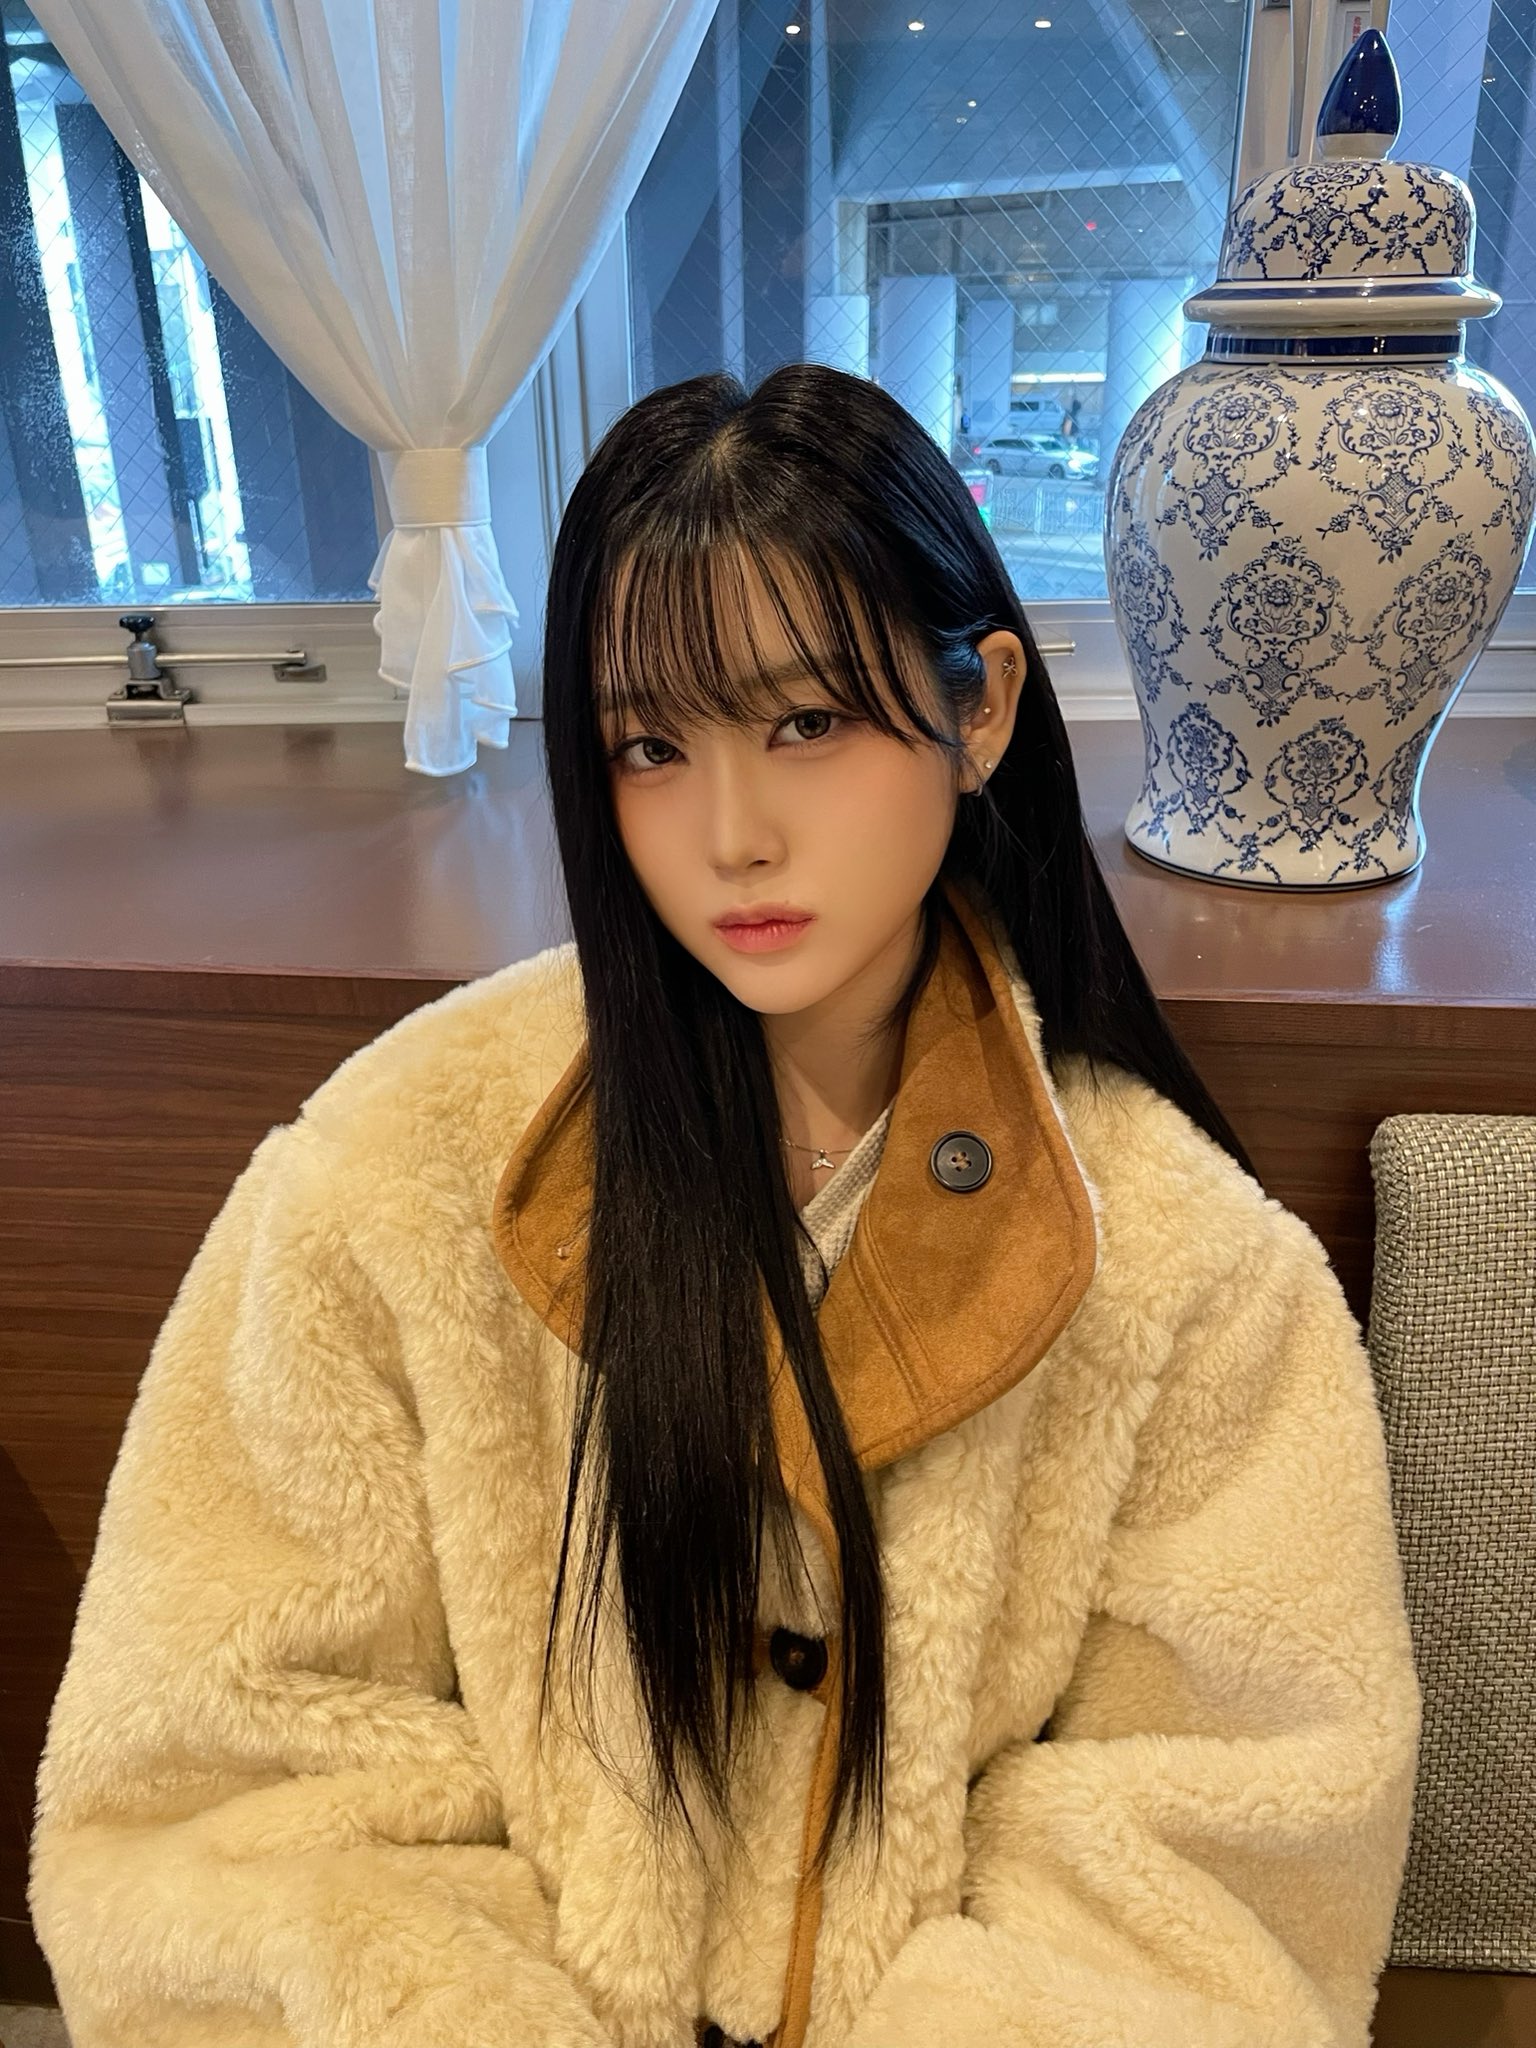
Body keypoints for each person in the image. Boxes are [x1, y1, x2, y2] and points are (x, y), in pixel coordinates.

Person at [29, 363, 1421, 2048]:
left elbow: (1217, 1886)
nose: (732, 834)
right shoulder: (390, 1177)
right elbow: (216, 1792)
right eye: (650, 746)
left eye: (806, 723)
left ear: (982, 709)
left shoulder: (1190, 1270)